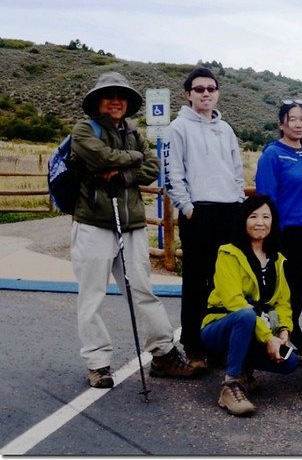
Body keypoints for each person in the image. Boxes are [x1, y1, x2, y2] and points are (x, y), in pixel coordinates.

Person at [71, 72, 201, 388]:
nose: (116, 101)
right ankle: (98, 363)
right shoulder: (84, 130)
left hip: (131, 225)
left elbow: (152, 167)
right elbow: (101, 156)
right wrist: (134, 158)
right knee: (92, 295)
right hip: (93, 223)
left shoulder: (133, 131)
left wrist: (123, 174)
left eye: (121, 96)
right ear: (97, 102)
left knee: (143, 291)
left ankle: (164, 354)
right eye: (109, 95)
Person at [164, 67, 245, 369]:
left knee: (223, 283)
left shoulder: (226, 130)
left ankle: (217, 343)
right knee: (196, 282)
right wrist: (186, 207)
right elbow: (172, 173)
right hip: (198, 212)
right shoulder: (177, 128)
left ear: (218, 92)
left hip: (228, 211)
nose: (206, 93)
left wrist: (238, 202)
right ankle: (194, 345)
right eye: (199, 89)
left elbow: (237, 170)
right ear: (188, 94)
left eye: (211, 88)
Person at [200, 195, 299, 416]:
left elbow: (283, 302)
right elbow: (234, 302)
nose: (260, 222)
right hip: (218, 327)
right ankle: (230, 384)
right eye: (253, 216)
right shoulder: (228, 253)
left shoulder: (277, 259)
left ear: (273, 222)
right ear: (243, 220)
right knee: (244, 315)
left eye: (266, 216)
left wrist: (283, 331)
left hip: (256, 328)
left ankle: (245, 367)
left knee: (290, 361)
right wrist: (267, 337)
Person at [255, 99, 302, 364]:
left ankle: (296, 334)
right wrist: (271, 234)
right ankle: (286, 337)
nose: (298, 124)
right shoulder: (272, 154)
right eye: (292, 119)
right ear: (282, 123)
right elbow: (266, 197)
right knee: (287, 289)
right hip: (286, 232)